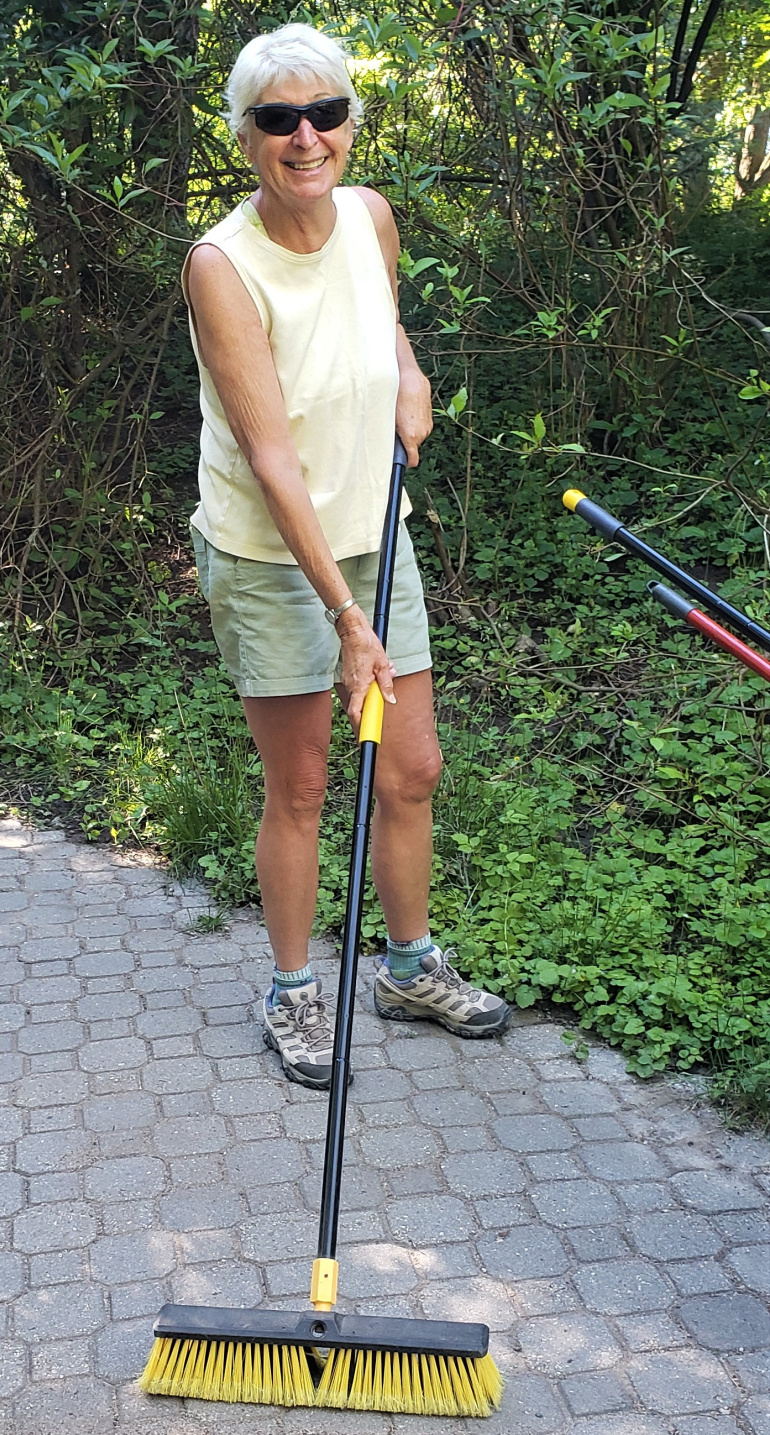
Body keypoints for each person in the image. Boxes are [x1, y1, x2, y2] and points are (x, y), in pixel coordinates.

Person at [184, 22, 512, 1089]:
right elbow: (272, 458)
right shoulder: (222, 267)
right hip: (276, 556)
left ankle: (408, 969)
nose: (305, 136)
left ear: (350, 126)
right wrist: (345, 615)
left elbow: (384, 327)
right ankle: (292, 993)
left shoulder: (371, 217)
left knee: (411, 766)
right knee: (306, 787)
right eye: (278, 119)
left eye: (324, 113)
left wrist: (411, 377)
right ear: (245, 138)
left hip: (376, 528)